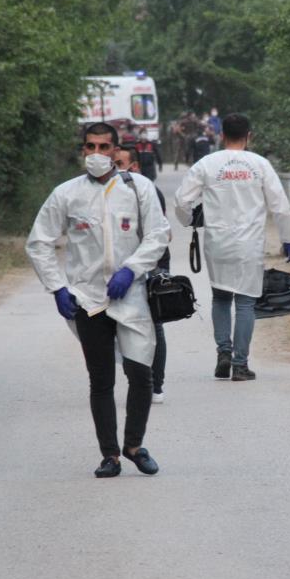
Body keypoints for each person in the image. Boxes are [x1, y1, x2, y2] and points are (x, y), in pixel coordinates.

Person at [26, 122, 170, 478]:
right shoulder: (66, 194)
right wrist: (58, 287)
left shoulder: (138, 189)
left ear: (117, 151)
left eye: (104, 147)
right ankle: (110, 455)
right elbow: (39, 242)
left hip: (131, 295)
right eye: (90, 147)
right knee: (101, 379)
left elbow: (158, 234)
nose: (97, 154)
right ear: (82, 151)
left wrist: (132, 269)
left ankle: (134, 445)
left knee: (141, 375)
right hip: (87, 299)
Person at [174, 113, 290, 381]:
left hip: (217, 243)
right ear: (249, 136)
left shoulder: (207, 163)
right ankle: (240, 364)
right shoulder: (260, 164)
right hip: (249, 244)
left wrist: (189, 221)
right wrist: (288, 239)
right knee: (244, 303)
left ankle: (224, 353)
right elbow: (281, 206)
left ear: (221, 135)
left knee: (220, 298)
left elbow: (182, 200)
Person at [114, 146, 171, 404]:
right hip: (119, 271)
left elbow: (163, 234)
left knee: (152, 325)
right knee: (124, 326)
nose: (113, 168)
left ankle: (154, 384)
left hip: (152, 267)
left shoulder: (146, 190)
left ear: (134, 166)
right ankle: (137, 381)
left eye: (119, 163)